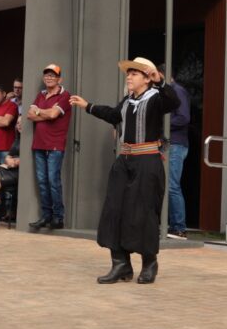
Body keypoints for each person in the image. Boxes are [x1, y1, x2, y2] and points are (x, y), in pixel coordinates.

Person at [69, 56, 181, 285]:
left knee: (144, 213)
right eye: (128, 73)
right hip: (124, 161)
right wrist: (87, 105)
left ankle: (149, 263)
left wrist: (159, 81)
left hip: (147, 162)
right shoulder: (128, 100)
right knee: (114, 210)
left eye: (134, 73)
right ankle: (120, 264)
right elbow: (113, 115)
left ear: (146, 78)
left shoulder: (157, 98)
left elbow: (174, 102)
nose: (129, 77)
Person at [27, 63, 72, 231]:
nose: (49, 78)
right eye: (47, 75)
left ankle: (58, 217)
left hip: (55, 145)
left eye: (53, 75)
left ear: (60, 78)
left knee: (53, 181)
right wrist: (43, 113)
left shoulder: (65, 95)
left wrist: (40, 111)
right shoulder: (41, 94)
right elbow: (30, 115)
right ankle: (46, 216)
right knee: (42, 182)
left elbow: (53, 114)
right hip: (39, 144)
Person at [161, 65, 191, 240]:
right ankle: (173, 226)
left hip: (176, 144)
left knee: (172, 185)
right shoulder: (167, 92)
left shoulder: (177, 91)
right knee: (168, 185)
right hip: (171, 144)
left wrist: (163, 124)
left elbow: (184, 117)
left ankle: (179, 227)